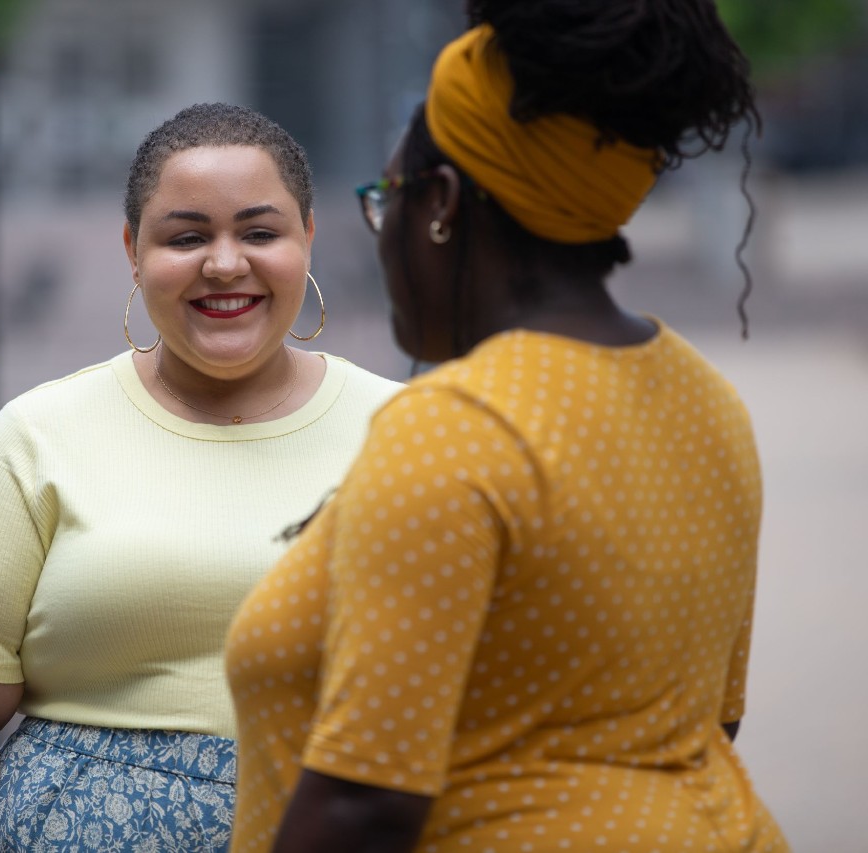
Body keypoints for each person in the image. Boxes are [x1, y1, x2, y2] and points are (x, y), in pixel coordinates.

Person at [227, 3, 791, 851]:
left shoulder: (456, 426)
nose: (384, 234)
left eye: (387, 199)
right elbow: (706, 721)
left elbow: (361, 807)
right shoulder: (707, 401)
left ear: (440, 206)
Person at [0, 102, 401, 853]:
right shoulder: (36, 437)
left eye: (260, 233)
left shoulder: (406, 432)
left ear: (309, 238)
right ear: (133, 249)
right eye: (187, 237)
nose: (224, 264)